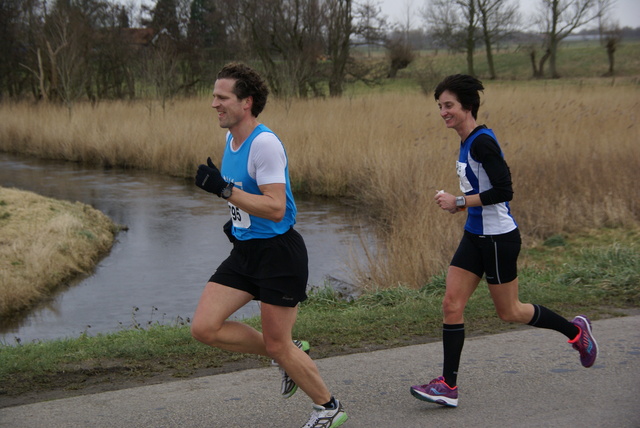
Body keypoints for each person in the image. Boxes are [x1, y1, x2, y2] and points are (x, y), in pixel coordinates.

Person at [409, 74, 598, 408]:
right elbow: (480, 189)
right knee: (451, 304)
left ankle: (576, 333)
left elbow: (503, 191)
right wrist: (460, 206)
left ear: (466, 106)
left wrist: (459, 202)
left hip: (498, 239)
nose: (443, 112)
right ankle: (447, 386)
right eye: (440, 106)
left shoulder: (482, 141)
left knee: (510, 311)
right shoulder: (466, 140)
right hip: (474, 235)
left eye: (448, 105)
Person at [191, 62, 348, 428]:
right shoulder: (232, 140)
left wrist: (225, 190)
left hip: (279, 255)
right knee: (204, 327)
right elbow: (250, 201)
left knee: (280, 345)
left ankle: (329, 407)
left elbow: (277, 208)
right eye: (214, 96)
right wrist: (236, 220)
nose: (214, 103)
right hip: (246, 252)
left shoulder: (264, 144)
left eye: (222, 97)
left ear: (246, 102)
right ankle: (289, 355)